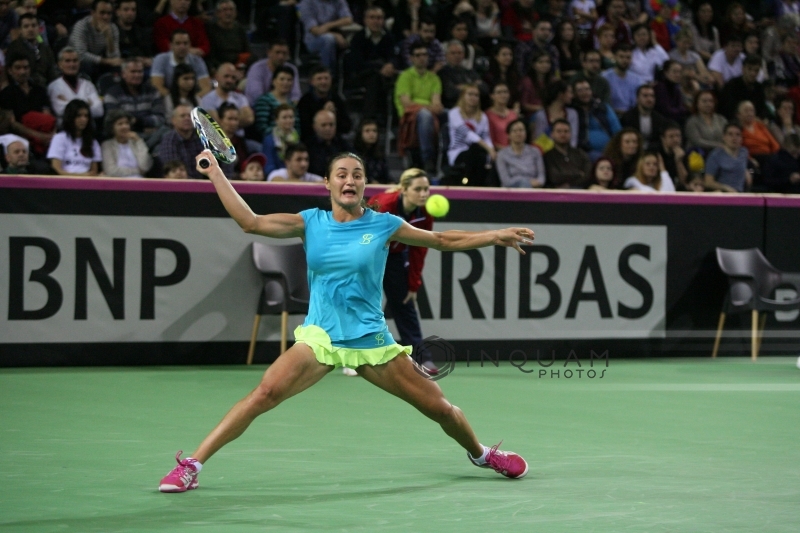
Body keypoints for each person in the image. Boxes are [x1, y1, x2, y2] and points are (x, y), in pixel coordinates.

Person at [157, 150, 533, 493]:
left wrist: (494, 235)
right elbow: (250, 222)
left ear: (365, 184)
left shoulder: (385, 224)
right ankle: (192, 464)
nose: (349, 181)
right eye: (341, 174)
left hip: (372, 340)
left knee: (440, 409)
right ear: (328, 183)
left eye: (357, 175)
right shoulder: (310, 222)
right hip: (321, 337)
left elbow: (442, 240)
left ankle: (482, 454)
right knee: (264, 395)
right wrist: (216, 175)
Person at [366, 168, 440, 375]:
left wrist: (413, 284)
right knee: (363, 304)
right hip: (367, 255)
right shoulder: (385, 206)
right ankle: (351, 357)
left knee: (405, 303)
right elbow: (361, 233)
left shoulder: (424, 212)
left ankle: (421, 358)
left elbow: (420, 249)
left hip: (395, 256)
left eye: (426, 189)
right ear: (404, 190)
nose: (424, 194)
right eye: (418, 189)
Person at [394, 42, 444, 173]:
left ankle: (448, 158)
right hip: (409, 117)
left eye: (424, 54)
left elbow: (437, 105)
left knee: (452, 114)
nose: (422, 58)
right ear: (411, 58)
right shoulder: (405, 77)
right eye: (418, 55)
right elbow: (407, 104)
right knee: (424, 115)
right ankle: (427, 159)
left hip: (430, 114)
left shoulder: (434, 78)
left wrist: (426, 106)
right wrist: (428, 107)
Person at [344, 6, 397, 121]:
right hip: (362, 75)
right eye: (372, 18)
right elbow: (357, 63)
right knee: (374, 79)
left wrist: (391, 64)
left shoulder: (388, 37)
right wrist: (380, 66)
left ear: (383, 20)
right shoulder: (358, 38)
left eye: (379, 18)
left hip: (385, 74)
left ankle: (394, 120)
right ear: (365, 20)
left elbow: (393, 56)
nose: (375, 21)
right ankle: (369, 119)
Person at [0, 53, 55, 157]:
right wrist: (39, 136)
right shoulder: (6, 93)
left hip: (45, 136)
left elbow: (48, 115)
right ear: (10, 71)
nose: (22, 72)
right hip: (20, 139)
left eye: (26, 68)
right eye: (18, 68)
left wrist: (51, 136)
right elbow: (12, 123)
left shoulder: (39, 90)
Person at [103, 58, 167, 147]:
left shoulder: (153, 91)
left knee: (166, 132)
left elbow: (160, 119)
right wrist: (144, 126)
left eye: (140, 72)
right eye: (133, 72)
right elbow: (115, 122)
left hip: (153, 137)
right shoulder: (112, 94)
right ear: (123, 74)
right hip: (126, 138)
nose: (137, 75)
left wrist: (137, 121)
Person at [446, 84, 495, 186]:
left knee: (480, 154)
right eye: (470, 94)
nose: (473, 97)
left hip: (478, 154)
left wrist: (491, 152)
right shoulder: (454, 113)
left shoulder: (482, 116)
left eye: (476, 95)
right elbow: (468, 133)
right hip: (458, 152)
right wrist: (489, 149)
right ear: (463, 96)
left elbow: (486, 137)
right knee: (476, 150)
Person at [47, 47, 104, 127]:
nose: (72, 64)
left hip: (88, 130)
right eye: (67, 61)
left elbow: (99, 111)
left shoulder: (88, 85)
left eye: (75, 61)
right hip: (65, 130)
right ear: (60, 64)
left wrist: (68, 102)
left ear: (79, 63)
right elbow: (60, 110)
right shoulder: (54, 86)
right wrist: (87, 103)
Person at [66, 0, 121, 79]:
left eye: (109, 13)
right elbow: (81, 55)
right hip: (77, 61)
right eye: (102, 13)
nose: (106, 17)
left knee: (118, 68)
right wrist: (106, 61)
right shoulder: (81, 26)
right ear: (93, 13)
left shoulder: (113, 28)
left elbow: (115, 58)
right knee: (86, 65)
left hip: (99, 62)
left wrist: (109, 38)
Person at [151, 29, 212, 98]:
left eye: (185, 43)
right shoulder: (160, 59)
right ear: (170, 45)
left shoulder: (197, 60)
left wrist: (191, 101)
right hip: (167, 99)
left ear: (190, 45)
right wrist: (176, 101)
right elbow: (157, 86)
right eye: (178, 43)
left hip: (193, 99)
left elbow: (206, 88)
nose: (182, 47)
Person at [47, 99, 101, 177]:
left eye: (86, 116)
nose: (83, 119)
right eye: (79, 115)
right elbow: (56, 168)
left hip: (87, 183)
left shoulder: (93, 142)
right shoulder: (59, 138)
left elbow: (94, 171)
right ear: (70, 117)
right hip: (64, 182)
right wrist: (79, 176)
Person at [297, 66, 351, 142]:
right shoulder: (305, 101)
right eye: (319, 79)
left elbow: (347, 127)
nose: (323, 82)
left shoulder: (337, 99)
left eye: (326, 78)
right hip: (312, 143)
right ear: (312, 82)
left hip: (336, 142)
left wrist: (334, 115)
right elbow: (304, 129)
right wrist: (323, 115)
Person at [298, 0, 353, 75]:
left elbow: (348, 19)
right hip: (314, 40)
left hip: (339, 36)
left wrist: (328, 25)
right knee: (328, 39)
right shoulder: (307, 3)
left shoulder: (339, 1)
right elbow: (315, 30)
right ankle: (328, 75)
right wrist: (335, 35)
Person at [573, 78, 621, 161]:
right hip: (583, 152)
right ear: (574, 93)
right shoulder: (572, 111)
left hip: (609, 150)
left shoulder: (603, 107)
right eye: (580, 90)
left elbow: (617, 130)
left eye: (587, 89)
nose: (585, 93)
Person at [244, 39, 301, 107]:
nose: (281, 57)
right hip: (259, 108)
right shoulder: (257, 68)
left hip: (285, 109)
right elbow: (256, 96)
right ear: (269, 53)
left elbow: (296, 95)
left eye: (284, 53)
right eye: (277, 52)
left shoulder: (292, 69)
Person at [6, 13, 57, 88]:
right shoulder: (14, 48)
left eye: (34, 26)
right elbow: (10, 74)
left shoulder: (45, 48)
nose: (30, 29)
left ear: (39, 29)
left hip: (45, 89)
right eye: (26, 26)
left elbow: (52, 72)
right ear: (20, 30)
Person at [199, 63, 254, 132]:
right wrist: (237, 119)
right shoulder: (207, 99)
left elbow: (249, 118)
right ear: (217, 77)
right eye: (226, 76)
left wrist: (225, 121)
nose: (229, 80)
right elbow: (215, 123)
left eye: (233, 77)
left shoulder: (240, 98)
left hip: (239, 140)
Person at [157, 104, 206, 179]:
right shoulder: (169, 141)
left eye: (189, 116)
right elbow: (173, 170)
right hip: (180, 185)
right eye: (182, 116)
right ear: (173, 120)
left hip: (203, 183)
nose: (187, 118)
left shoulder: (201, 137)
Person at [100, 109, 153, 177]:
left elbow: (145, 166)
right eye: (120, 124)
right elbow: (111, 171)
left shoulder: (136, 143)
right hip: (117, 184)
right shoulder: (107, 145)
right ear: (112, 128)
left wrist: (139, 141)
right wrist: (138, 171)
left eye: (127, 123)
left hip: (139, 183)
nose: (124, 126)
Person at [253, 65, 300, 140]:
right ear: (273, 81)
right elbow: (262, 127)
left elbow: (297, 127)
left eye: (289, 80)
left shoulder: (292, 104)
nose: (285, 83)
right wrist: (281, 135)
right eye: (282, 79)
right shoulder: (264, 100)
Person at [496, 118, 545, 187]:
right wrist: (525, 183)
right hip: (510, 192)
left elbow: (541, 178)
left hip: (533, 190)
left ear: (526, 133)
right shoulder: (502, 154)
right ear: (508, 135)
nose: (518, 133)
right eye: (515, 131)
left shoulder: (535, 152)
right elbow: (506, 181)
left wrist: (532, 184)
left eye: (521, 130)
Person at [543, 118, 592, 188]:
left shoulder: (580, 154)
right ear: (552, 134)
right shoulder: (548, 156)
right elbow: (554, 177)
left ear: (570, 134)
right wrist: (578, 174)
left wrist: (570, 184)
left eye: (566, 131)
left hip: (580, 190)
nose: (563, 134)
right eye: (559, 131)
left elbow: (587, 175)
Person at [530, 80, 579, 147]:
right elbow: (539, 141)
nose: (572, 96)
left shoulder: (572, 114)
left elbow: (573, 139)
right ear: (560, 95)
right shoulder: (541, 116)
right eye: (569, 92)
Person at [438, 40, 485, 109]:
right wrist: (472, 85)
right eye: (453, 53)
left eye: (459, 53)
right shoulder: (442, 73)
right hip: (452, 108)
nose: (457, 56)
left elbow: (484, 89)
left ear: (463, 55)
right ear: (446, 55)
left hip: (473, 108)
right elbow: (450, 93)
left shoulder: (469, 71)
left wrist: (461, 87)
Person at [204, 0, 250, 71]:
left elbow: (247, 50)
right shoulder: (210, 29)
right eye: (224, 10)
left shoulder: (239, 29)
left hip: (238, 65)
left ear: (236, 13)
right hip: (218, 66)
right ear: (217, 13)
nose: (228, 13)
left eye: (231, 10)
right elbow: (210, 56)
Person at [718, 55, 767, 120]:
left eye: (756, 70)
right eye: (749, 69)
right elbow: (728, 110)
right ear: (743, 69)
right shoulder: (732, 85)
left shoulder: (759, 87)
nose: (753, 73)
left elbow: (762, 109)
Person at [704, 123, 749, 192]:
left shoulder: (744, 152)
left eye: (738, 135)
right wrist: (725, 188)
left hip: (740, 195)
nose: (734, 138)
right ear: (724, 137)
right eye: (730, 134)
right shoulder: (715, 155)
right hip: (723, 194)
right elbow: (708, 182)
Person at [620, 85, 669, 149]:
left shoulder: (660, 119)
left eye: (652, 96)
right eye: (645, 96)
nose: (650, 99)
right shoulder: (627, 118)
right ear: (637, 99)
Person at [306, 110, 351, 177]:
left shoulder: (343, 144)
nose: (328, 128)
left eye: (331, 124)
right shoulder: (307, 146)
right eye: (323, 125)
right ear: (314, 126)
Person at [602, 44, 643, 115]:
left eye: (628, 57)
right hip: (610, 115)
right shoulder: (605, 77)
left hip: (632, 116)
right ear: (614, 57)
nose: (625, 60)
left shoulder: (637, 79)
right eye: (621, 57)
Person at [262, 104, 300, 175]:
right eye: (284, 117)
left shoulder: (297, 138)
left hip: (296, 175)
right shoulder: (269, 140)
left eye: (291, 117)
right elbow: (268, 166)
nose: (288, 120)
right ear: (276, 120)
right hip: (276, 176)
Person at [483, 43, 521, 110]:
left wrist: (516, 107)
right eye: (504, 55)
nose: (508, 57)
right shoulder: (489, 76)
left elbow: (517, 96)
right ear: (496, 56)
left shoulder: (514, 75)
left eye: (510, 55)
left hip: (511, 109)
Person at [353, 119, 390, 184]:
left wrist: (391, 182)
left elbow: (386, 175)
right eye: (367, 131)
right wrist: (371, 181)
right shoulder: (354, 154)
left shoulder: (380, 154)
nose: (371, 134)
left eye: (374, 131)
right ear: (360, 133)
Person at [653, 60, 689, 126]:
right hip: (662, 122)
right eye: (674, 72)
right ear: (666, 73)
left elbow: (681, 108)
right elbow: (666, 110)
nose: (678, 75)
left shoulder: (676, 89)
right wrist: (681, 111)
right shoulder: (660, 87)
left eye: (679, 72)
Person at [520, 51, 555, 117]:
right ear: (533, 65)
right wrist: (542, 109)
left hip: (551, 113)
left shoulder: (553, 81)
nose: (545, 65)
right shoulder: (527, 82)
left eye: (547, 62)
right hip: (533, 115)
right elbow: (524, 104)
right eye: (541, 62)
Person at [485, 83, 519, 149]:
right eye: (499, 92)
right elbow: (489, 140)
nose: (503, 95)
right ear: (492, 96)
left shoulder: (513, 114)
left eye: (505, 92)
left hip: (514, 151)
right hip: (497, 152)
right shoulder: (487, 115)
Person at [656, 122, 688, 186]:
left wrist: (679, 161)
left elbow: (684, 181)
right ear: (663, 139)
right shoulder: (655, 153)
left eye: (678, 136)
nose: (676, 139)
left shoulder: (682, 153)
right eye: (671, 136)